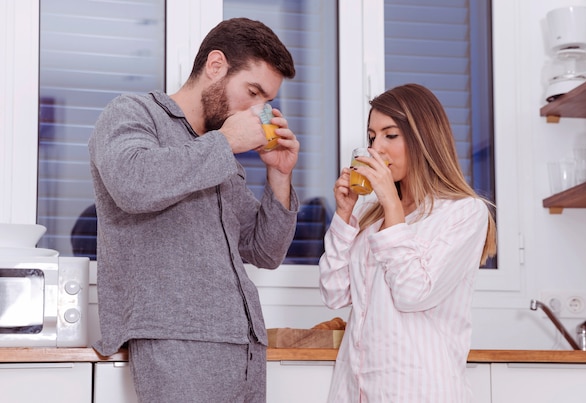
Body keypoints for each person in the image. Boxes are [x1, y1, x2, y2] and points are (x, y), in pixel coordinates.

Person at [88, 18, 299, 403]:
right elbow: (132, 184)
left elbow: (264, 251)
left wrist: (279, 177)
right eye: (252, 92)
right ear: (215, 66)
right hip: (178, 342)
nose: (258, 111)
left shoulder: (218, 152)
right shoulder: (133, 114)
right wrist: (226, 143)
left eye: (267, 102)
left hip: (246, 346)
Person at [319, 83, 497, 402]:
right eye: (372, 137)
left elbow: (413, 294)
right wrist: (344, 216)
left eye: (390, 135)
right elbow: (334, 293)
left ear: (423, 138)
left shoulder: (464, 213)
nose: (377, 148)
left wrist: (390, 203)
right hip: (355, 390)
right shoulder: (367, 215)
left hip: (418, 390)